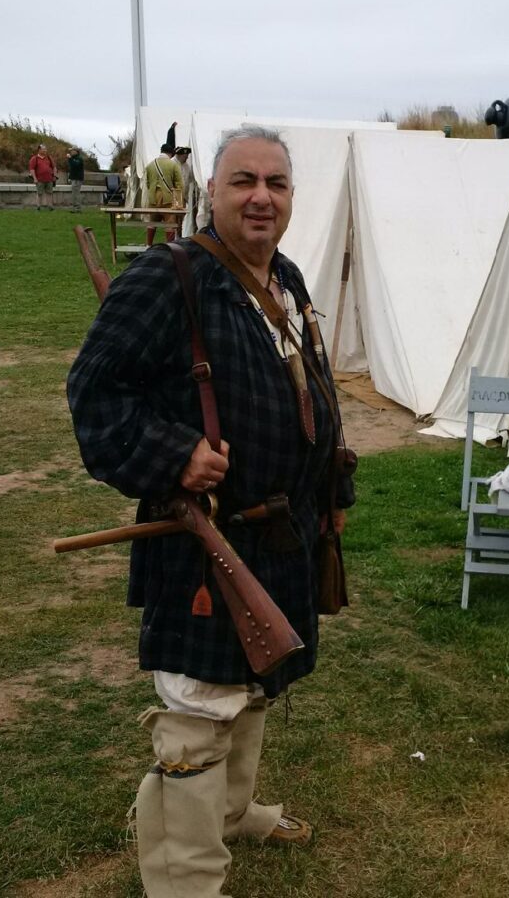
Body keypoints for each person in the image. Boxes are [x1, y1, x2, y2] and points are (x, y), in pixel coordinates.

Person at [67, 125, 354, 897]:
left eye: (277, 183)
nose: (261, 196)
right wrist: (173, 455)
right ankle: (186, 880)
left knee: (256, 682)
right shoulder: (169, 279)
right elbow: (94, 395)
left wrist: (333, 498)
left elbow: (312, 400)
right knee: (199, 708)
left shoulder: (285, 278)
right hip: (207, 543)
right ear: (212, 193)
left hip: (282, 535)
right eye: (243, 181)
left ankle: (228, 813)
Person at [145, 142, 184, 211]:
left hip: (152, 199)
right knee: (170, 221)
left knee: (153, 222)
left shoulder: (149, 165)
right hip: (168, 199)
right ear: (171, 153)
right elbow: (179, 185)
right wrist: (179, 202)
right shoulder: (174, 165)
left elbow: (148, 184)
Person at [173, 146, 194, 236]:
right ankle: (174, 237)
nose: (187, 157)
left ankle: (179, 236)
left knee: (181, 219)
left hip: (183, 196)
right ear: (179, 155)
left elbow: (190, 180)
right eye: (185, 156)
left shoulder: (186, 166)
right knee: (174, 219)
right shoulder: (172, 163)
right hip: (174, 195)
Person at [28, 144, 57, 210]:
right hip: (39, 180)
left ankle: (50, 206)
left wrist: (54, 176)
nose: (45, 150)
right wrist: (35, 178)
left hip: (49, 179)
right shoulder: (34, 158)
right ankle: (38, 207)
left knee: (49, 193)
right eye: (43, 149)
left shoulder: (49, 157)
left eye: (45, 149)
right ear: (39, 150)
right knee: (39, 193)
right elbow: (32, 169)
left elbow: (54, 167)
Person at [66, 148, 85, 213]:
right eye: (71, 151)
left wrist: (70, 158)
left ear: (76, 152)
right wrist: (69, 177)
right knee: (74, 193)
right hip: (73, 178)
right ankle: (74, 208)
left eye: (73, 151)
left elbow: (76, 165)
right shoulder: (72, 158)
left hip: (78, 178)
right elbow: (71, 168)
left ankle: (78, 208)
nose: (71, 152)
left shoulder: (79, 158)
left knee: (76, 193)